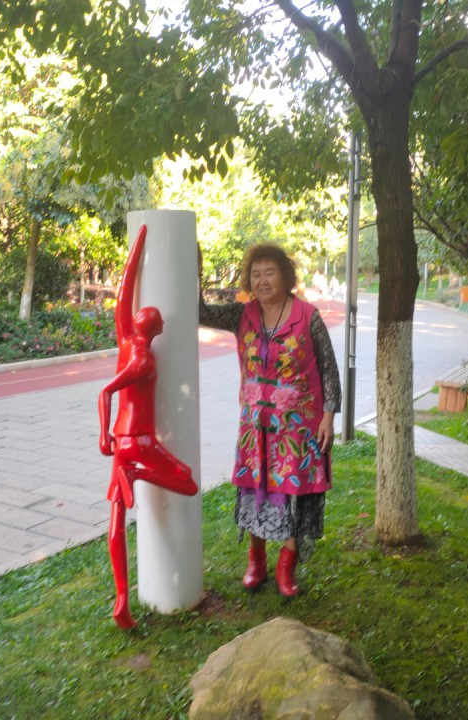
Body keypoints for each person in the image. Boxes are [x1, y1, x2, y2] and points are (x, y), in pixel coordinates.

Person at [199, 244, 341, 596]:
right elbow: (197, 312)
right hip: (255, 428)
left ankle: (286, 567)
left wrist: (328, 416)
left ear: (286, 276)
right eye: (256, 274)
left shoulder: (308, 316)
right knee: (255, 489)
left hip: (298, 428)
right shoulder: (241, 315)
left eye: (269, 273)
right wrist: (194, 267)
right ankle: (256, 560)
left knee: (292, 493)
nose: (262, 280)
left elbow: (328, 369)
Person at [98, 225, 198, 629]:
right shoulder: (143, 360)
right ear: (156, 330)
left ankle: (122, 597)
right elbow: (106, 390)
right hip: (139, 443)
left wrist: (138, 244)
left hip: (121, 441)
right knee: (187, 482)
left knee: (116, 517)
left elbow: (123, 295)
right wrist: (103, 433)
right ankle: (138, 474)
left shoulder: (126, 341)